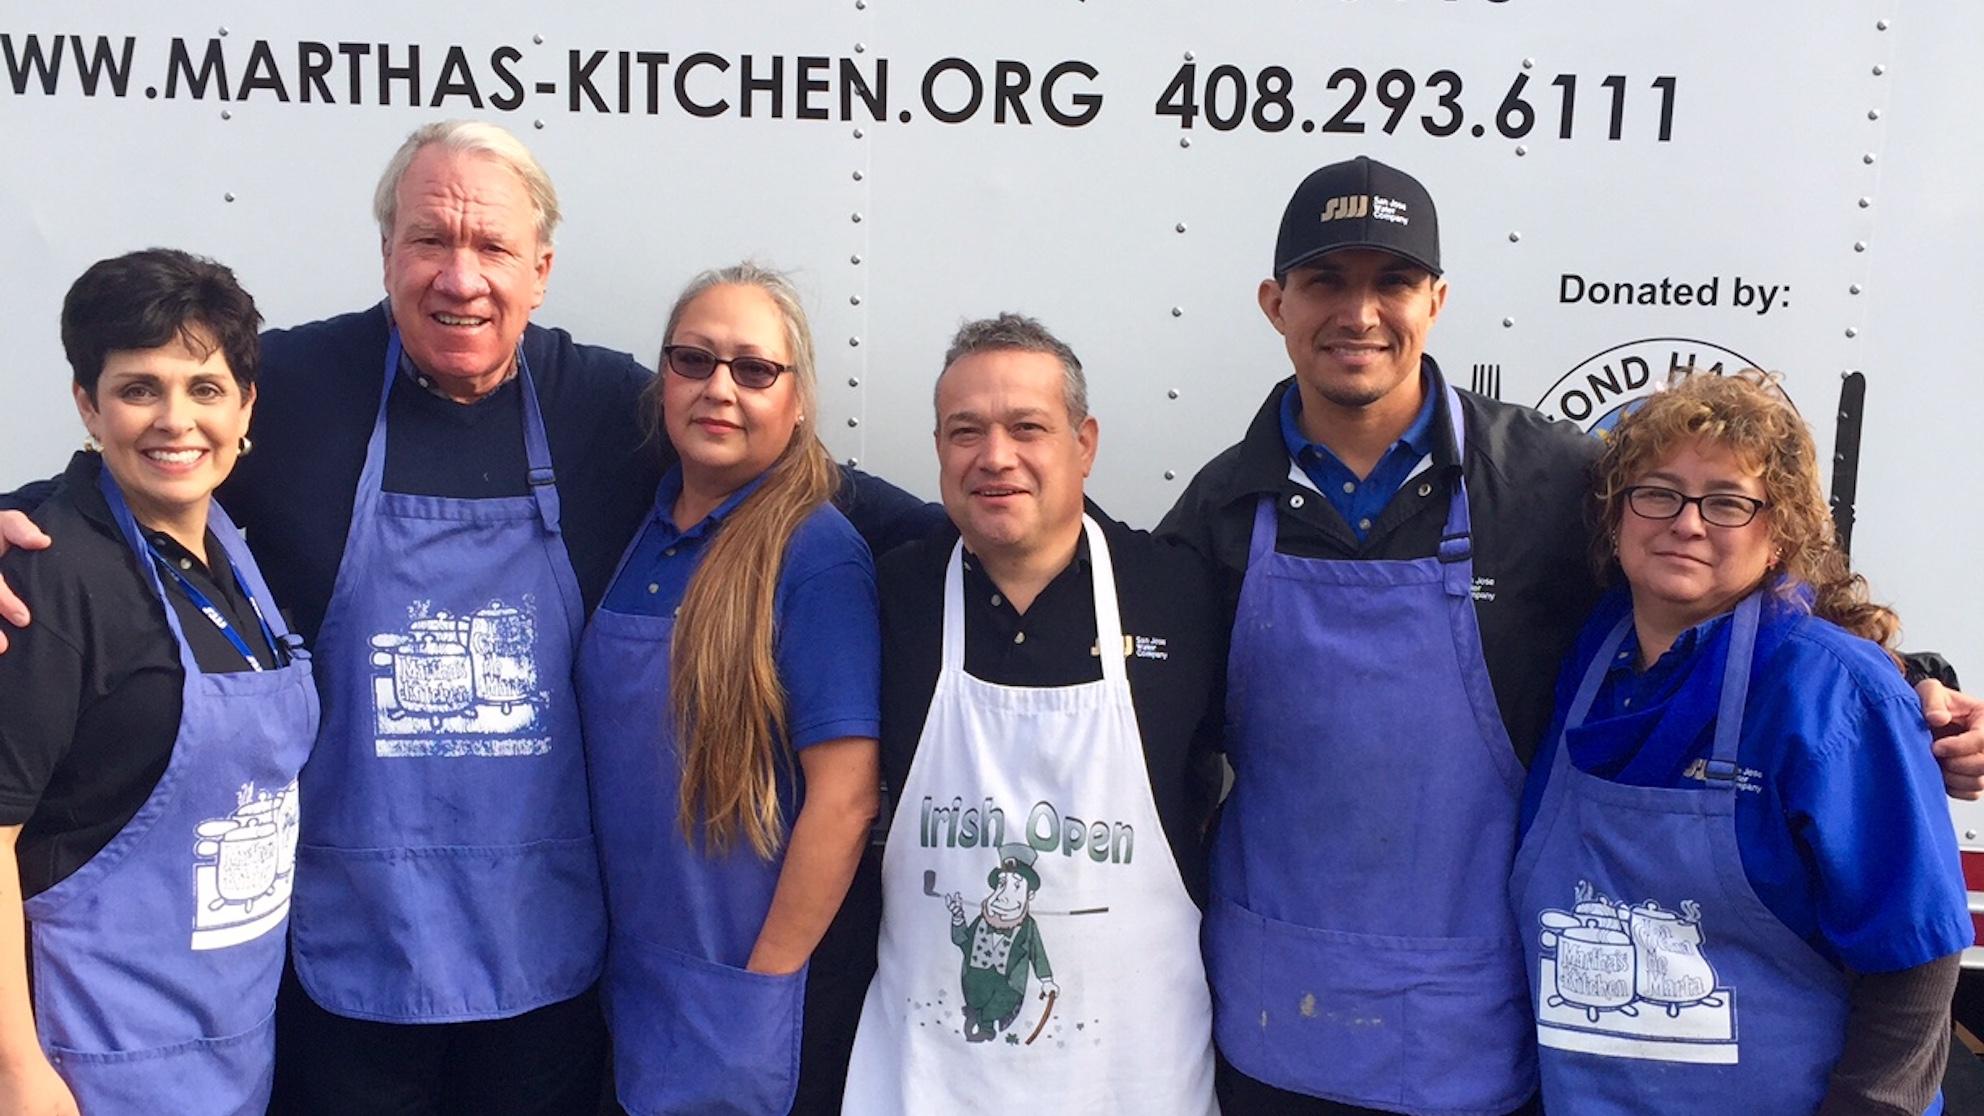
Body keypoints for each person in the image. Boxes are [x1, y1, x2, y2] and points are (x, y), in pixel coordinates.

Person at [0, 120, 939, 1114]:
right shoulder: (297, 387)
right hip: (345, 960)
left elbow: (814, 485)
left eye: (491, 247)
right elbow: (139, 456)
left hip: (548, 961)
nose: (461, 278)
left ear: (540, 270)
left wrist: (1030, 538)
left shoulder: (608, 404)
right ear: (387, 254)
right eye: (429, 241)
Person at [1157, 155, 1981, 1116]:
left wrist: (1905, 685)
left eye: (1392, 281)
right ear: (1276, 302)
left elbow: (1727, 588)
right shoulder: (1221, 506)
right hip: (1273, 1017)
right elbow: (1151, 717)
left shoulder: (1547, 478)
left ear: (1437, 299)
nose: (1360, 312)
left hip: (1478, 1024)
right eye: (1325, 281)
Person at [1510, 369, 1969, 1115]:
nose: (1686, 523)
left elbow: (1914, 964)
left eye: (1727, 502)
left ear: (1779, 529)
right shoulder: (1575, 665)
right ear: (1617, 515)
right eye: (1657, 492)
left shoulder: (1830, 693)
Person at [841, 314, 1224, 1112]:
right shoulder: (888, 596)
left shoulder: (1182, 594)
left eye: (1028, 428)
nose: (995, 457)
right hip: (927, 1080)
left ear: (1084, 444)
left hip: (1133, 1081)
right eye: (965, 431)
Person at [0, 249, 317, 1116]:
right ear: (87, 407)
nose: (176, 420)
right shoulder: (46, 578)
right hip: (89, 1059)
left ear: (245, 407)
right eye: (139, 388)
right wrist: (17, 1073)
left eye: (205, 389)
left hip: (228, 1043)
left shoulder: (233, 550)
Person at [575, 263, 882, 1116]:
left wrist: (763, 985)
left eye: (754, 370)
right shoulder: (637, 529)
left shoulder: (815, 554)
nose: (720, 389)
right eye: (693, 361)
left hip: (736, 987)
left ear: (797, 399)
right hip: (625, 969)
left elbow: (847, 797)